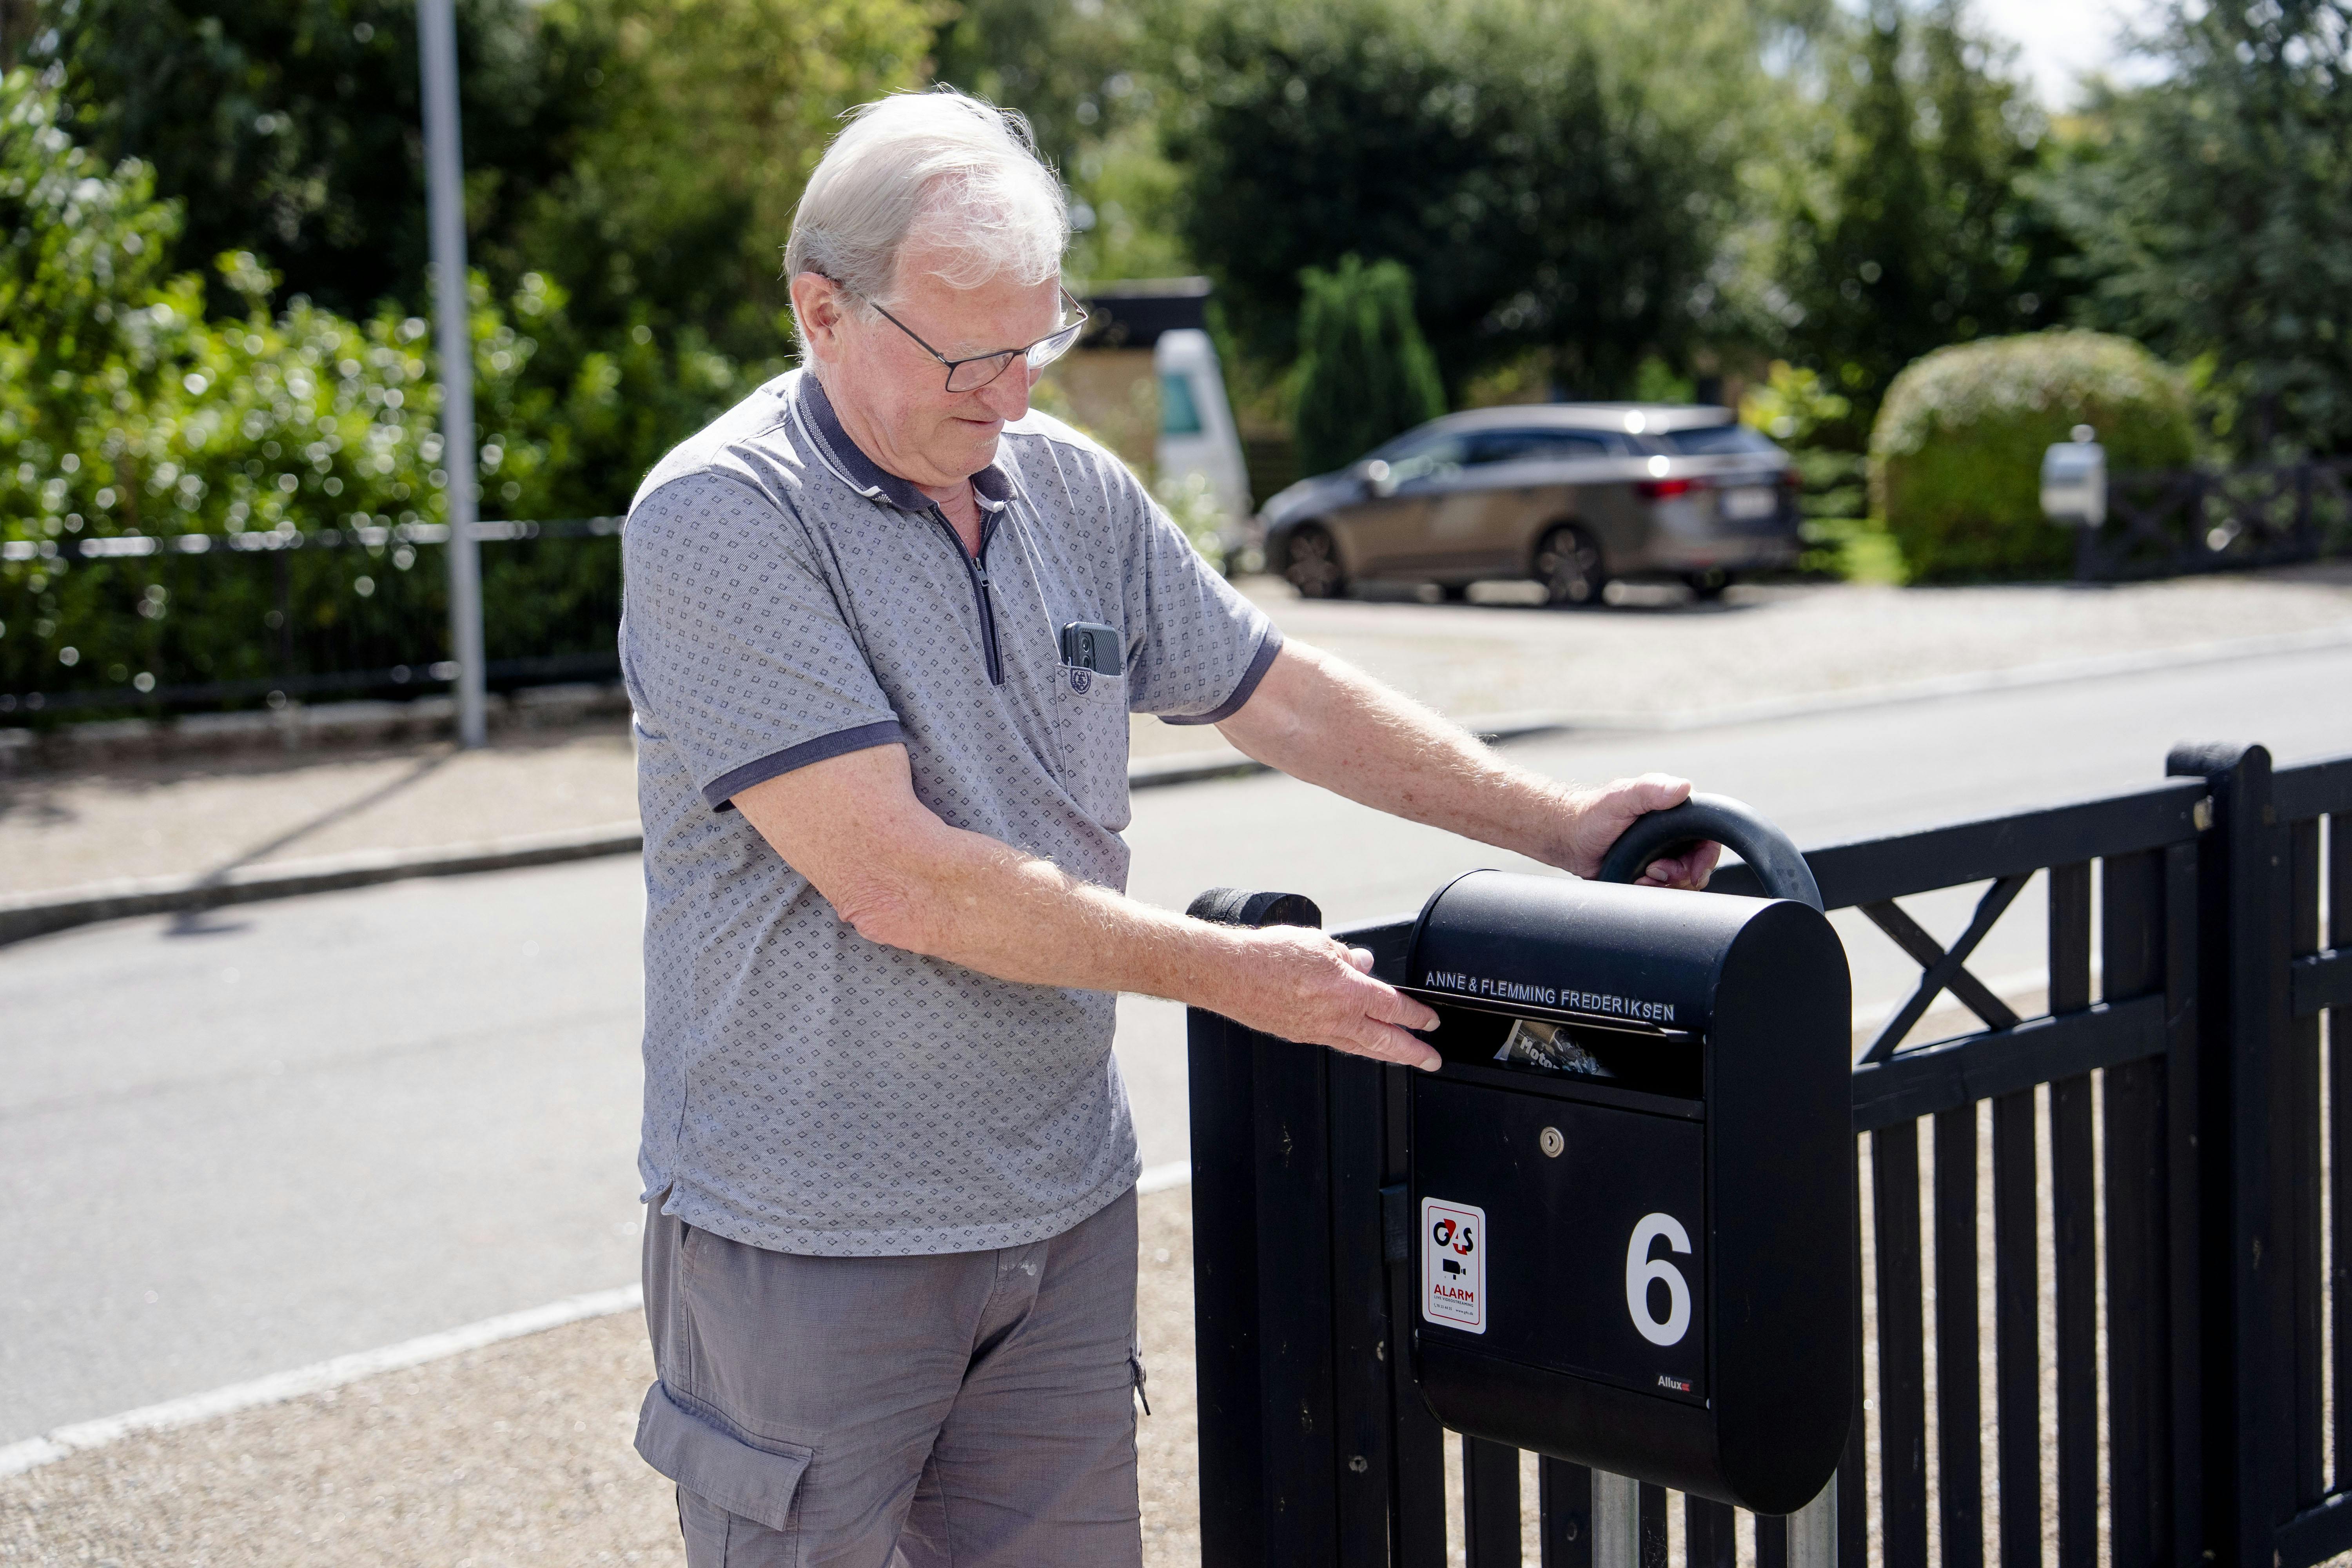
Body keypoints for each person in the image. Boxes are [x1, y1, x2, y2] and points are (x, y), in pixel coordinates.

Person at [619, 86, 1719, 1568]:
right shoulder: (723, 517)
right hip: (812, 1239)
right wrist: (1237, 978)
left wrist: (1561, 824)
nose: (1011, 398)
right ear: (821, 308)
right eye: (969, 356)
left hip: (1058, 1211)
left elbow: (1279, 695)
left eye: (1036, 345)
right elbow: (897, 881)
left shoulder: (1066, 486)